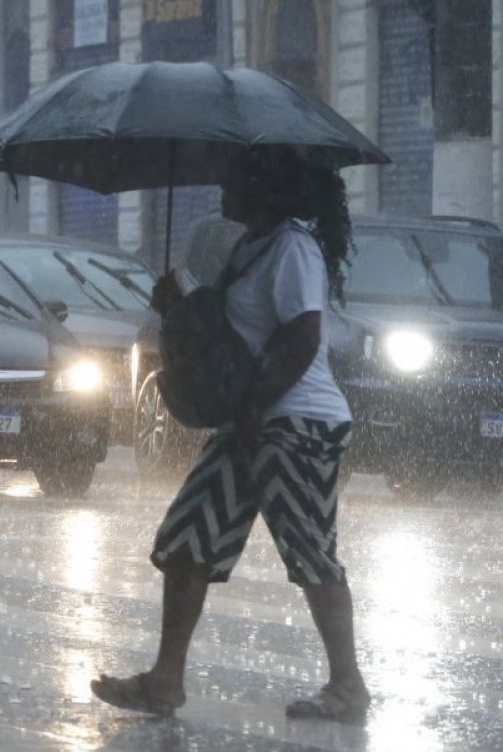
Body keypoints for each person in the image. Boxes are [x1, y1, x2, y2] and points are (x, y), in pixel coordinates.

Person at [91, 147, 369, 724]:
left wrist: (254, 414)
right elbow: (231, 333)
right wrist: (180, 307)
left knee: (310, 550)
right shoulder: (251, 247)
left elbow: (302, 337)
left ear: (266, 186)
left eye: (235, 175)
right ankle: (165, 680)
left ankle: (348, 686)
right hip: (249, 420)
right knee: (189, 538)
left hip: (295, 424)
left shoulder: (293, 247)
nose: (223, 184)